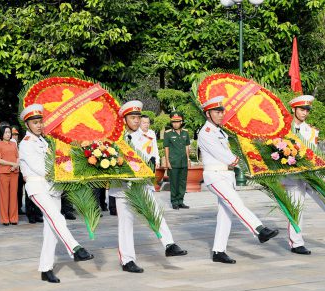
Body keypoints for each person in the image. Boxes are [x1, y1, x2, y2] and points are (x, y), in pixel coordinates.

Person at [198, 96, 279, 264]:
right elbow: (225, 156)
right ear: (208, 114)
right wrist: (247, 162)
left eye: (222, 111)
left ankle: (218, 251)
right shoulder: (205, 133)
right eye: (216, 112)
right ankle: (259, 230)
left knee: (225, 214)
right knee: (235, 202)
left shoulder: (221, 131)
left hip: (226, 176)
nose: (220, 115)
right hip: (215, 176)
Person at [19, 104, 94, 283]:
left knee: (51, 230)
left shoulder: (44, 141)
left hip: (53, 188)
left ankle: (46, 269)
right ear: (27, 125)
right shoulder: (26, 144)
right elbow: (41, 168)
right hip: (37, 187)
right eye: (35, 123)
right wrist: (63, 168)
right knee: (57, 218)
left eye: (40, 122)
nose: (39, 125)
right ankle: (75, 249)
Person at [110, 101, 187, 273]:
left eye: (138, 117)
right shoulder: (116, 139)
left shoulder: (147, 137)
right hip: (123, 186)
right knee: (126, 223)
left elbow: (152, 156)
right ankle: (127, 260)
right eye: (132, 117)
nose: (136, 121)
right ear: (124, 120)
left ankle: (169, 244)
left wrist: (153, 163)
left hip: (143, 182)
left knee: (155, 212)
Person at [282, 95, 324, 255]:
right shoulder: (284, 129)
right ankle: (296, 243)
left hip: (311, 175)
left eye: (307, 110)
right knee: (296, 210)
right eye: (302, 109)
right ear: (293, 109)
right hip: (292, 176)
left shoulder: (312, 131)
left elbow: (315, 153)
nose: (305, 113)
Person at [163, 112, 191, 209]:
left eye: (177, 122)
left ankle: (180, 201)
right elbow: (166, 148)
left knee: (182, 182)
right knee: (174, 183)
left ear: (181, 122)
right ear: (171, 122)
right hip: (173, 162)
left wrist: (188, 159)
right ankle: (174, 202)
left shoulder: (185, 132)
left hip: (183, 162)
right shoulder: (168, 133)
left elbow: (187, 146)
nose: (175, 124)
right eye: (174, 122)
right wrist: (167, 161)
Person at [0, 125, 20, 225]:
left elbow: (18, 157)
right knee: (4, 196)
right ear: (2, 133)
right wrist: (12, 164)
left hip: (14, 172)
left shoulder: (14, 144)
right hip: (4, 172)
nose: (8, 134)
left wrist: (15, 165)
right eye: (6, 132)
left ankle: (13, 218)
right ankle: (5, 219)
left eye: (9, 132)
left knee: (14, 195)